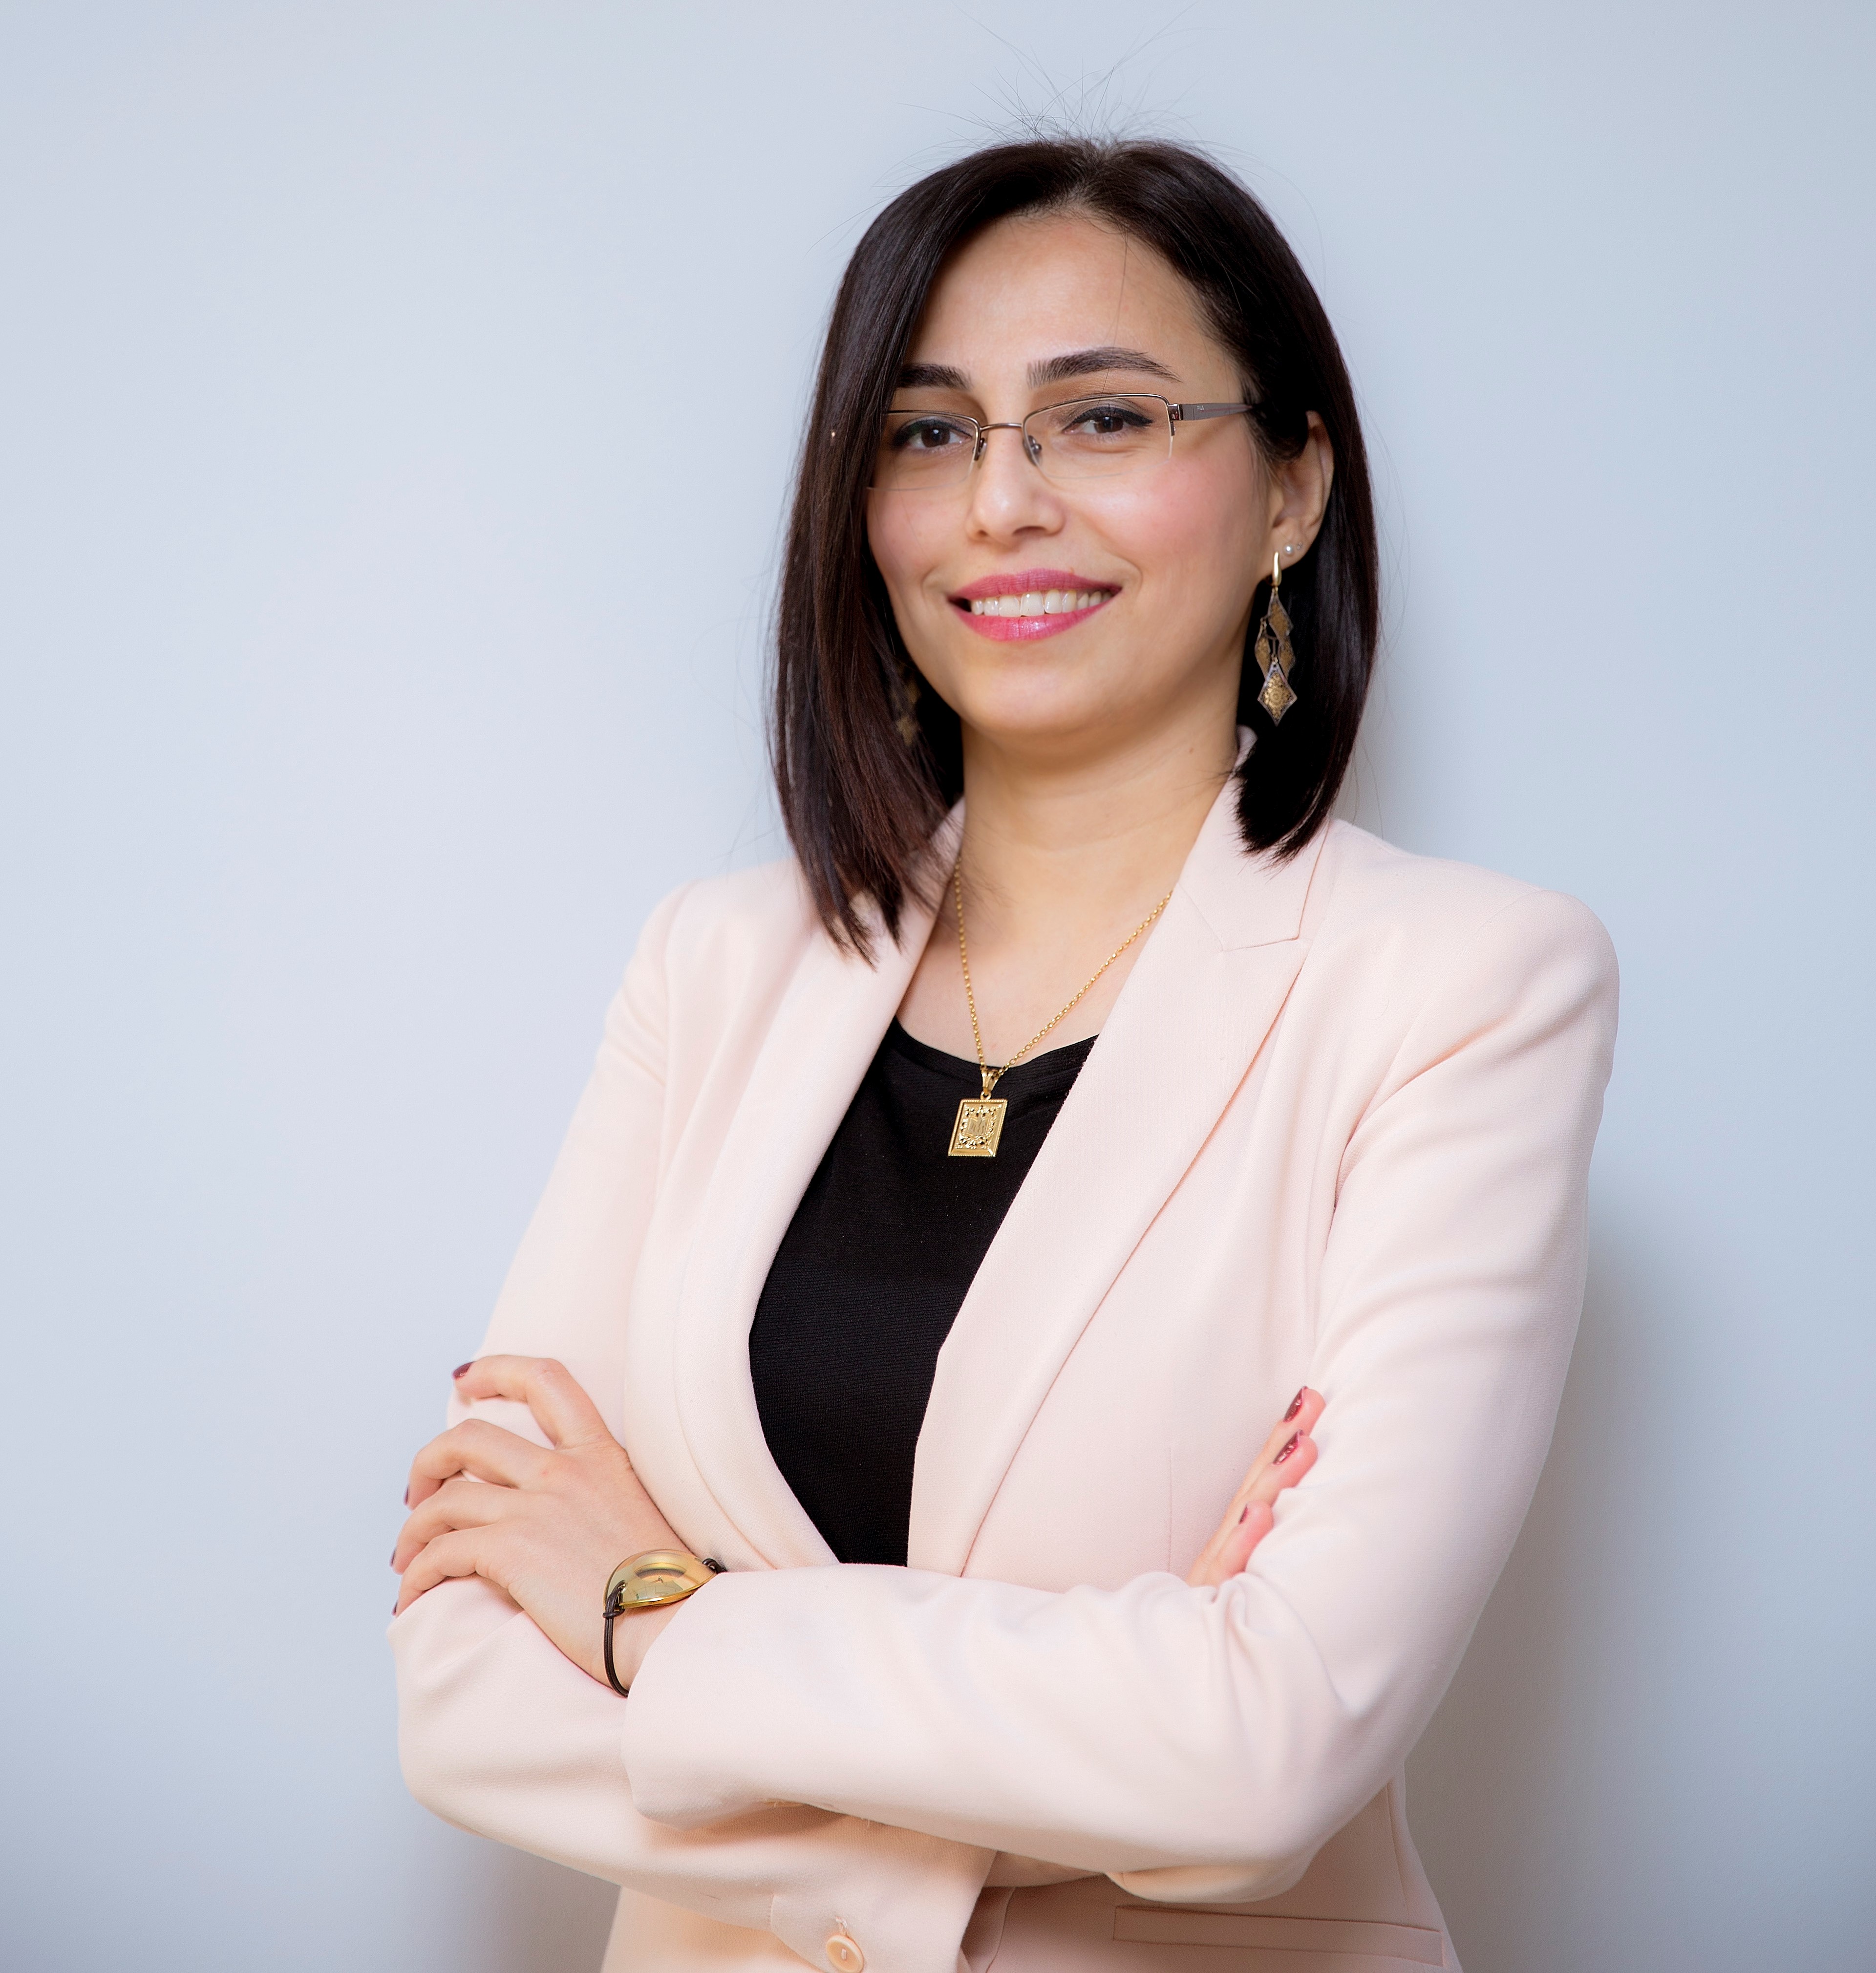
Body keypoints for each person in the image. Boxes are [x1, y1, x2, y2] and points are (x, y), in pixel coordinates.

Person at [389, 137, 1616, 1973]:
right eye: (928, 431)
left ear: (1293, 488)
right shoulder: (710, 970)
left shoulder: (1466, 990)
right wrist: (1114, 1759)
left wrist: (649, 1613)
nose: (1001, 503)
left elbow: (1267, 1748)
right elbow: (466, 1693)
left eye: (1104, 418)